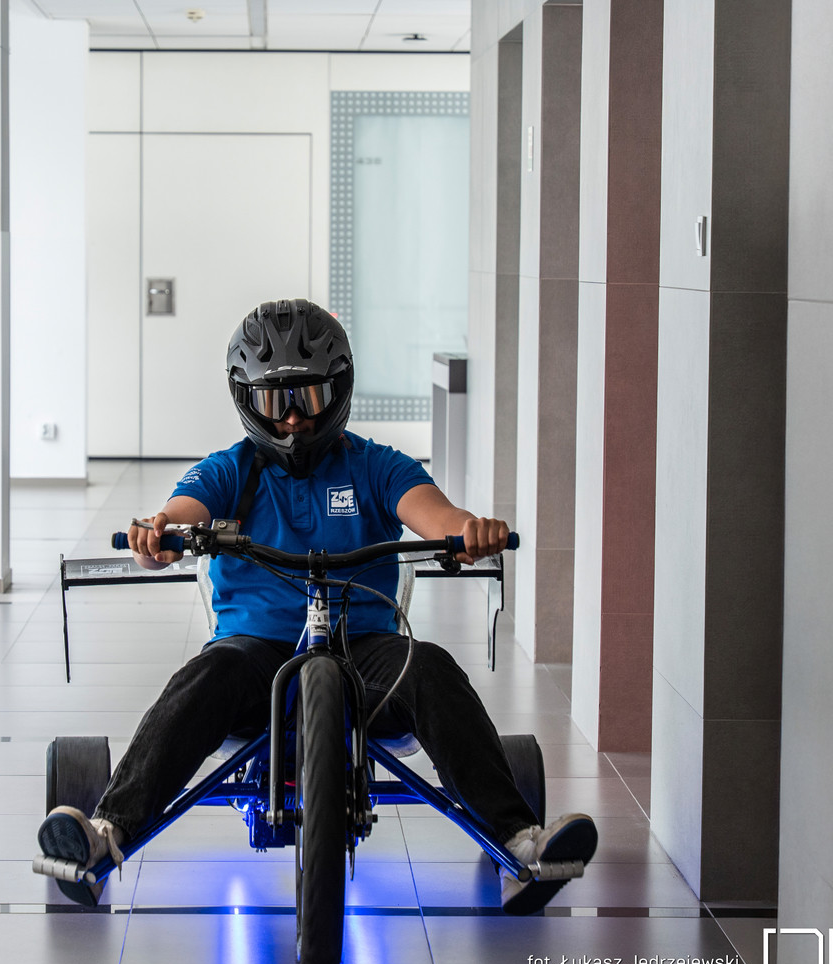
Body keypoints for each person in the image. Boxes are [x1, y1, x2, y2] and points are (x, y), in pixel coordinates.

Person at [37, 298, 597, 915]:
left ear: (338, 392)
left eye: (308, 397)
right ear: (248, 401)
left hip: (366, 650)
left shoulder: (376, 466)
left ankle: (519, 843)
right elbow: (178, 515)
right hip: (254, 653)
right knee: (205, 676)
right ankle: (107, 831)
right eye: (276, 401)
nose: (294, 419)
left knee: (430, 667)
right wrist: (158, 534)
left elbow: (435, 514)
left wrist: (466, 532)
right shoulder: (230, 471)